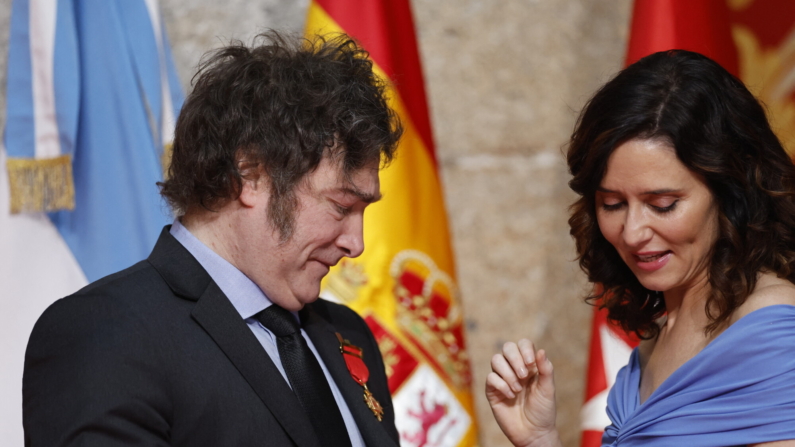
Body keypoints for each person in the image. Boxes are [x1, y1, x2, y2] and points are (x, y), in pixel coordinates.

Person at [23, 32, 403, 447]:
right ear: (251, 174)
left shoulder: (347, 333)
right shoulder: (104, 332)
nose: (356, 243)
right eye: (341, 206)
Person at [486, 50, 795, 446]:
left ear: (730, 193)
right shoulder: (658, 336)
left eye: (662, 205)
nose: (632, 233)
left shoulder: (773, 333)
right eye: (611, 204)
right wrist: (540, 439)